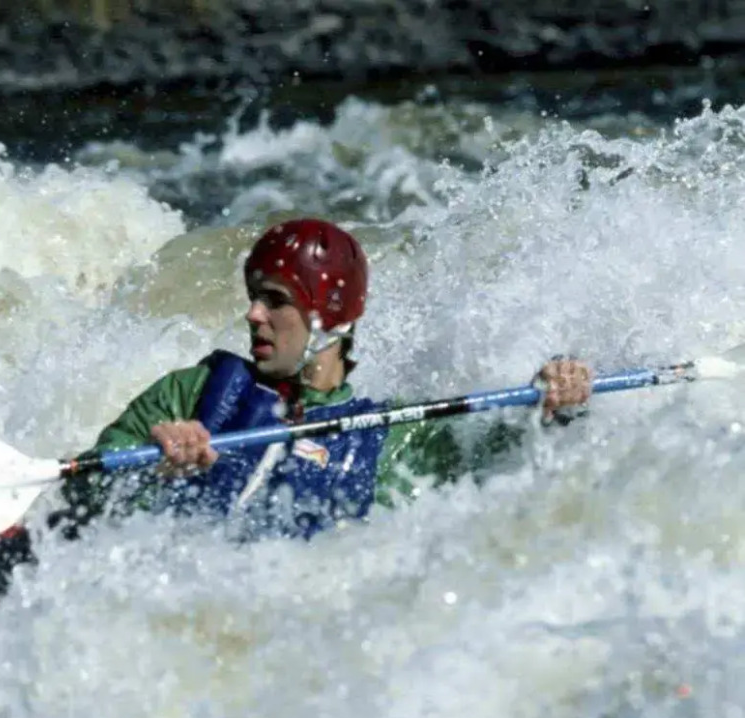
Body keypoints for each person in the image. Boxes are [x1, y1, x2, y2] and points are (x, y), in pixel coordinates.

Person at [61, 218, 592, 541]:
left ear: (329, 319)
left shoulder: (394, 434)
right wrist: (152, 468)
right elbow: (78, 501)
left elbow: (510, 464)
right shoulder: (190, 393)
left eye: (275, 301)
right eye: (253, 297)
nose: (252, 315)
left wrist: (557, 405)